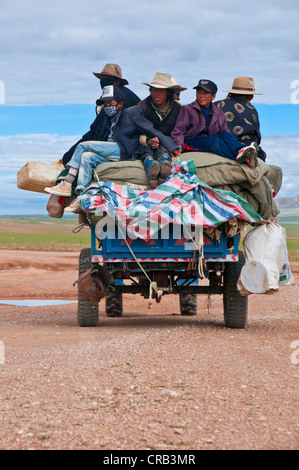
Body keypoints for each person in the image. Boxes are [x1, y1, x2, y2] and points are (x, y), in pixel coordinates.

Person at [45, 86, 178, 212]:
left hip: (123, 149)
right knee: (87, 157)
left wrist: (172, 146)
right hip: (112, 152)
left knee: (83, 146)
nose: (107, 106)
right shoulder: (107, 117)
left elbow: (150, 129)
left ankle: (67, 182)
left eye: (111, 103)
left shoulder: (131, 112)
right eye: (105, 103)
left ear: (120, 104)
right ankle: (82, 198)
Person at [62, 63, 140, 166]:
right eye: (102, 78)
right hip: (103, 135)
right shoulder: (107, 95)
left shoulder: (122, 95)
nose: (103, 81)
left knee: (71, 156)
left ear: (117, 81)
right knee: (69, 156)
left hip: (118, 142)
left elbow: (99, 127)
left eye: (107, 79)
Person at [171, 79, 258, 166]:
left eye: (205, 93)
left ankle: (242, 150)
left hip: (209, 139)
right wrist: (178, 145)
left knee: (226, 135)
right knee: (214, 141)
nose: (201, 96)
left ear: (213, 97)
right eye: (199, 92)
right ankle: (242, 159)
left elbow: (225, 132)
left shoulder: (219, 113)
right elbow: (178, 130)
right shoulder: (188, 109)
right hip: (191, 142)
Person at [137, 72, 184, 187]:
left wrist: (177, 145)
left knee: (165, 145)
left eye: (160, 90)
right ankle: (150, 165)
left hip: (167, 144)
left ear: (168, 92)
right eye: (153, 90)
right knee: (146, 150)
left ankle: (164, 165)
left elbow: (180, 130)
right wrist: (148, 140)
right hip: (146, 143)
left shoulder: (179, 109)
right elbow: (135, 132)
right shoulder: (142, 107)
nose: (156, 94)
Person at [215, 76, 267, 161]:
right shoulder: (252, 110)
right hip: (249, 147)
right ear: (250, 96)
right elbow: (257, 137)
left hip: (222, 145)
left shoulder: (217, 105)